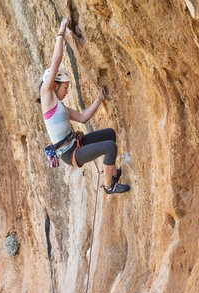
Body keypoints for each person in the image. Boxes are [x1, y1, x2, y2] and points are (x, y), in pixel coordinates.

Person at [38, 18, 130, 194]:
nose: (66, 92)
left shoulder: (60, 107)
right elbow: (56, 61)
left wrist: (99, 99)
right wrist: (61, 31)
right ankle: (109, 186)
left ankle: (112, 174)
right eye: (65, 87)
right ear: (55, 85)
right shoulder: (47, 98)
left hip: (76, 144)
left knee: (110, 134)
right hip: (70, 154)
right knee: (110, 147)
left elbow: (83, 117)